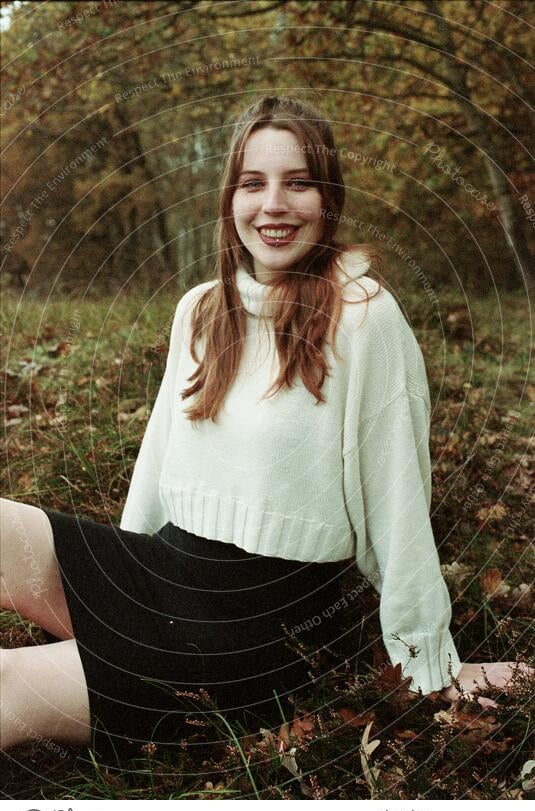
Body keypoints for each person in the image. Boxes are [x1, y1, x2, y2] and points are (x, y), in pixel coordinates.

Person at [1, 95, 530, 758]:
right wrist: (106, 605)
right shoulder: (200, 309)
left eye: (297, 182)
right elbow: (157, 466)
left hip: (254, 638)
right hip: (163, 572)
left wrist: (429, 661)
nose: (273, 204)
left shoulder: (363, 316)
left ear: (328, 198)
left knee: (6, 682)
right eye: (253, 183)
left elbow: (398, 502)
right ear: (230, 199)